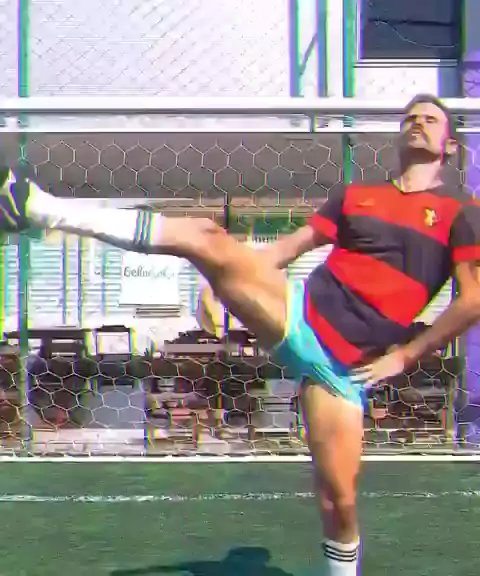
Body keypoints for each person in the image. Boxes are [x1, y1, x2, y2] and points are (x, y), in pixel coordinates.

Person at [1, 93, 480, 575]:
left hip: (345, 372)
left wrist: (405, 356)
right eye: (411, 117)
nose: (418, 123)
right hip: (300, 314)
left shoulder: (461, 210)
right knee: (206, 237)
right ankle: (39, 207)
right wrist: (229, 276)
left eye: (430, 119)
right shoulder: (358, 196)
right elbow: (289, 248)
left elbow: (472, 299)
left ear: (451, 145)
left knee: (339, 500)